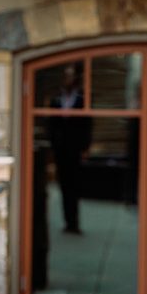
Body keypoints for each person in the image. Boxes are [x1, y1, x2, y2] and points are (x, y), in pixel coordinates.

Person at [48, 64, 92, 234]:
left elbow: (87, 125)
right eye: (66, 76)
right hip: (60, 149)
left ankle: (75, 222)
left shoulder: (81, 100)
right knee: (64, 185)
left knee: (75, 186)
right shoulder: (56, 100)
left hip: (75, 149)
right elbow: (51, 126)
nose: (69, 80)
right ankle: (67, 221)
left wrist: (85, 147)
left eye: (71, 76)